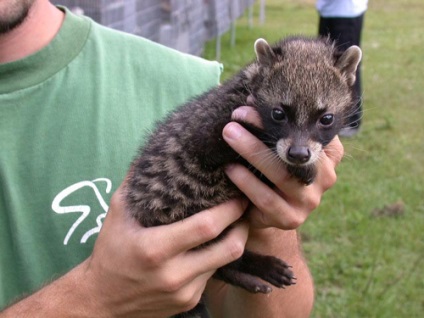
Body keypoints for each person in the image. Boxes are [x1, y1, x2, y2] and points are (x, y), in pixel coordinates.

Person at [0, 0, 344, 317]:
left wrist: (270, 223)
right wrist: (95, 296)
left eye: (324, 122)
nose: (301, 145)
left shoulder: (186, 78)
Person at [317, 0, 368, 137]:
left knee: (346, 69)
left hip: (346, 13)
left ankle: (350, 121)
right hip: (328, 10)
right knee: (324, 66)